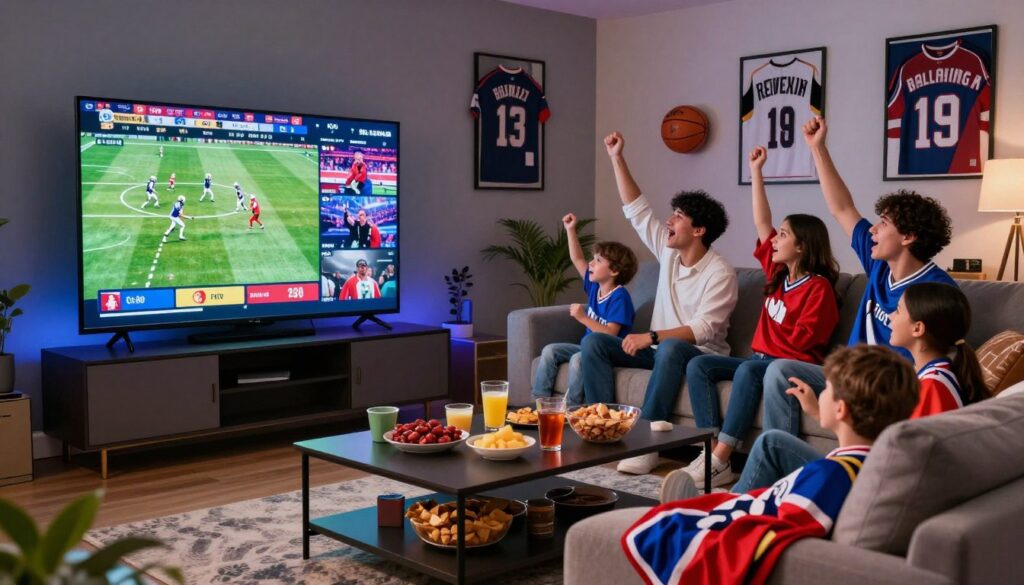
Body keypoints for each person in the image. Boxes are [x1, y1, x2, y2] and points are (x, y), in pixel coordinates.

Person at [635, 345, 918, 585]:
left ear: (841, 409)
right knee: (771, 442)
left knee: (669, 527)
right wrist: (817, 411)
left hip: (763, 517)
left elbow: (780, 522)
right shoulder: (866, 465)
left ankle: (708, 505)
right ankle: (707, 502)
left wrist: (716, 522)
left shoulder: (830, 475)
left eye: (827, 389)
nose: (820, 393)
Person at [760, 116, 955, 438]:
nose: (873, 230)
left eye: (883, 224)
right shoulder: (879, 265)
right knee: (780, 370)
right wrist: (817, 148)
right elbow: (842, 207)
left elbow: (931, 359)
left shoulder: (935, 289)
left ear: (908, 237)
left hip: (885, 387)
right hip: (845, 376)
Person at [728, 282, 988, 493]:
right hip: (866, 474)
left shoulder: (932, 387)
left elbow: (906, 463)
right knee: (773, 443)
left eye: (898, 311)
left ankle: (732, 509)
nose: (890, 316)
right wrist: (818, 412)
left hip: (866, 485)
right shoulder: (933, 375)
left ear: (918, 328)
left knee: (771, 444)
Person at [682, 146, 840, 488]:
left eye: (784, 235)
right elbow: (762, 222)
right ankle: (711, 450)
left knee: (750, 370)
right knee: (699, 365)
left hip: (789, 365)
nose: (775, 239)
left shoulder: (819, 288)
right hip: (758, 361)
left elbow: (805, 345)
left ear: (802, 246)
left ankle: (721, 457)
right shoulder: (778, 274)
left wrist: (769, 353)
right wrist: (756, 172)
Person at [583, 132, 738, 475]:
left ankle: (648, 445)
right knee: (595, 343)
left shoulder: (720, 273)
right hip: (658, 351)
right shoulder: (669, 253)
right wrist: (616, 157)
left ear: (698, 230)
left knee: (669, 348)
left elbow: (702, 330)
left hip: (699, 356)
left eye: (678, 216)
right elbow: (637, 210)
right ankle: (605, 429)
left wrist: (651, 337)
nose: (669, 221)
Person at [532, 212, 638, 406]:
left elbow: (610, 334)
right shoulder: (595, 287)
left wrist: (583, 318)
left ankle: (573, 409)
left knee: (578, 360)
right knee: (549, 351)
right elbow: (577, 258)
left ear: (614, 271)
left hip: (605, 353)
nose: (591, 263)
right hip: (585, 347)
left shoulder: (620, 297)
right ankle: (540, 405)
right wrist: (571, 230)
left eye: (598, 261)